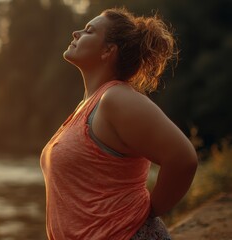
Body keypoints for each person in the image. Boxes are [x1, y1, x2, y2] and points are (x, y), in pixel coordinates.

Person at [39, 7, 198, 240]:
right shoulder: (87, 105)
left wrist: (148, 212)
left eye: (89, 31)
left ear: (108, 50)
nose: (76, 33)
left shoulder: (116, 98)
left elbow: (183, 159)